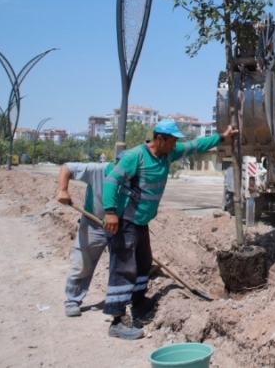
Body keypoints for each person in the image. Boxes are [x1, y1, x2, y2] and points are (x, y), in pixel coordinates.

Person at [100, 119, 237, 340]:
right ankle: (117, 319)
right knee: (124, 268)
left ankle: (138, 303)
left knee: (144, 262)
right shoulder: (135, 156)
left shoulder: (167, 154)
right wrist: (109, 212)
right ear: (160, 139)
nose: (175, 145)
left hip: (140, 222)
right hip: (125, 221)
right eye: (172, 140)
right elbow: (111, 180)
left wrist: (222, 137)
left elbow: (196, 145)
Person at [56, 154, 123, 317]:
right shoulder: (97, 170)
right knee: (83, 262)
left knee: (123, 264)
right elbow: (67, 167)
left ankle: (121, 300)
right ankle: (73, 299)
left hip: (121, 225)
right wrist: (62, 190)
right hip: (94, 222)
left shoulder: (134, 175)